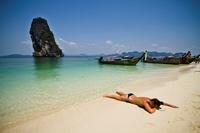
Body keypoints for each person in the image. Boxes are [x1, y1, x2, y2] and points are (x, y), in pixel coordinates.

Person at [104, 91, 178, 114]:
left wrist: (172, 106)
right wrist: (155, 108)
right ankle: (105, 95)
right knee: (114, 96)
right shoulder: (145, 103)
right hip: (128, 99)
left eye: (152, 103)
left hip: (131, 95)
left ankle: (116, 90)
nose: (150, 103)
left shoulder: (150, 99)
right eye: (151, 103)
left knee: (118, 92)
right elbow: (151, 111)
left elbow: (163, 103)